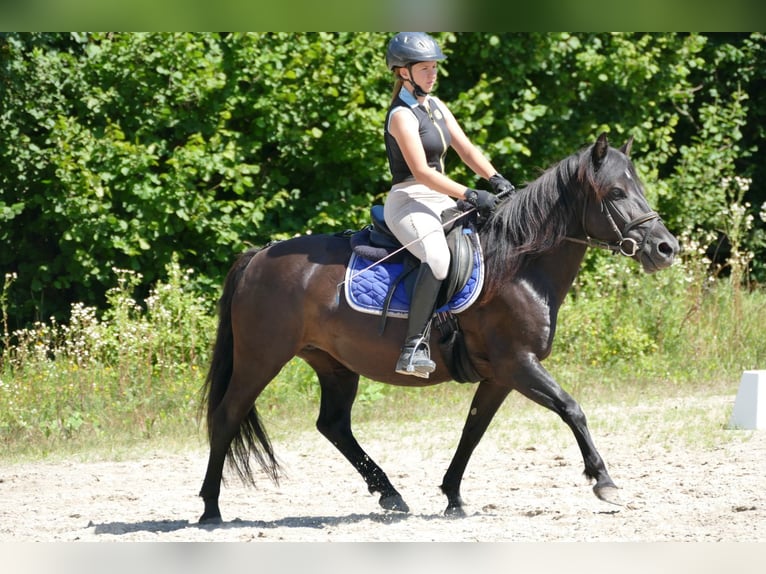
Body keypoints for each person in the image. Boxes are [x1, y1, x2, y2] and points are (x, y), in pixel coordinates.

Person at [383, 31, 515, 378]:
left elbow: (467, 150)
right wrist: (469, 194)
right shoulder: (402, 116)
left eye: (434, 67)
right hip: (410, 200)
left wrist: (495, 178)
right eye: (425, 69)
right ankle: (412, 348)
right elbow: (422, 173)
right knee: (438, 258)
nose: (433, 74)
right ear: (403, 72)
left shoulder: (436, 106)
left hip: (441, 198)